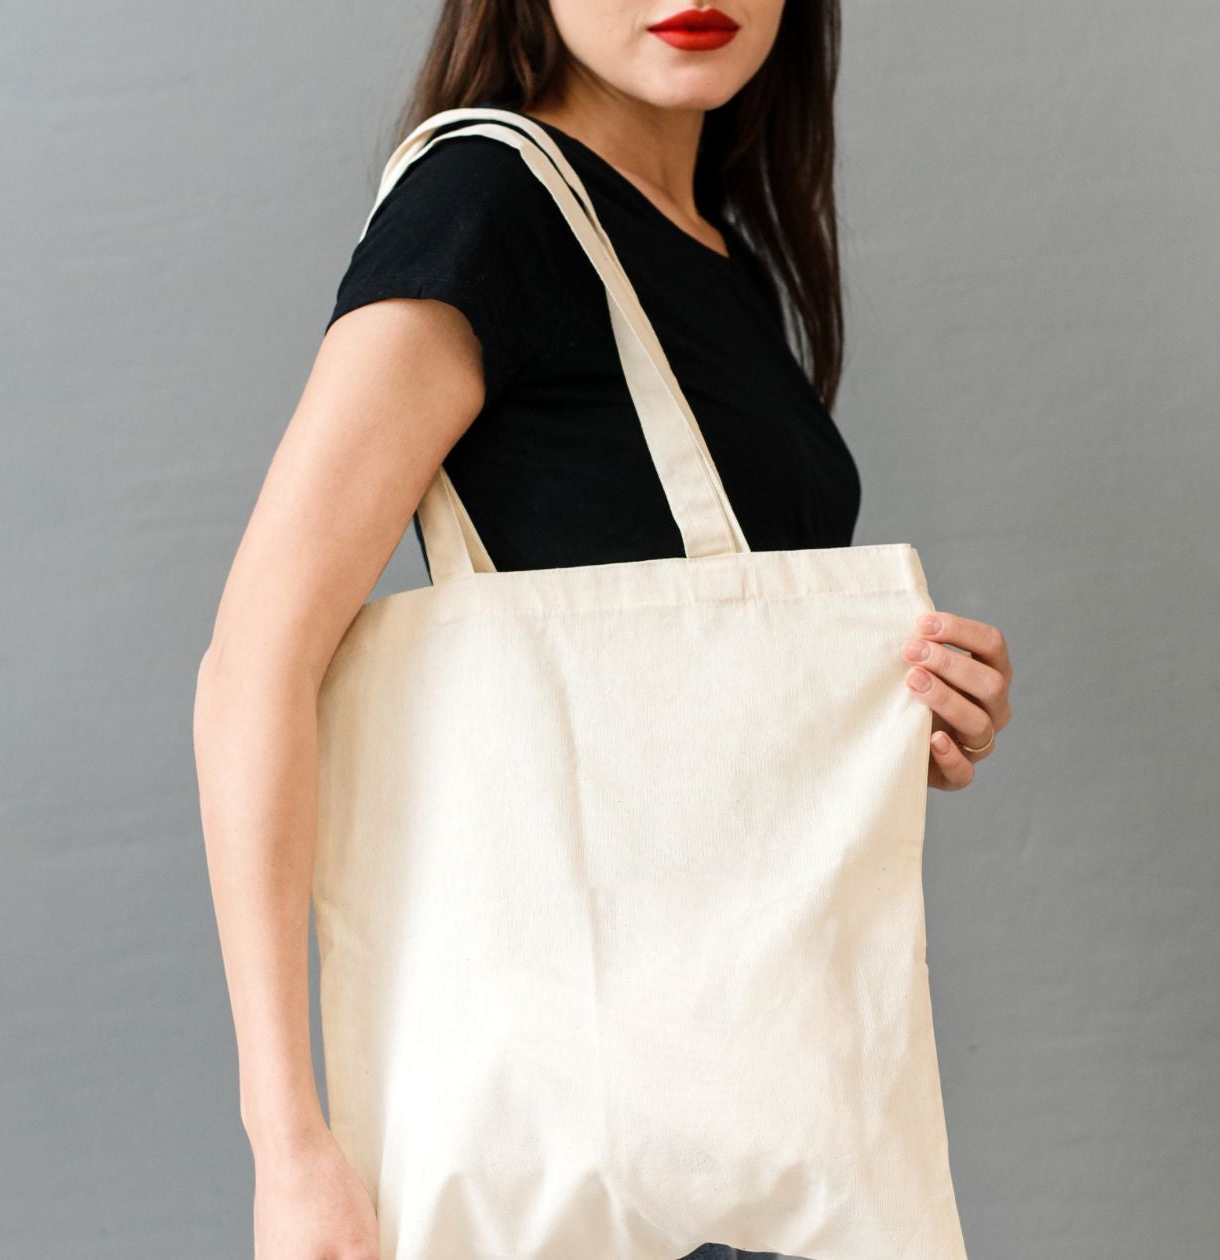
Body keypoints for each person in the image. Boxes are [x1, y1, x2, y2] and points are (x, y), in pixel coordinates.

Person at [192, 2, 1015, 1256]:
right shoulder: (487, 204)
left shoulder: (716, 252)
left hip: (755, 1120)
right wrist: (287, 1144)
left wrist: (897, 712)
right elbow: (253, 660)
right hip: (570, 1137)